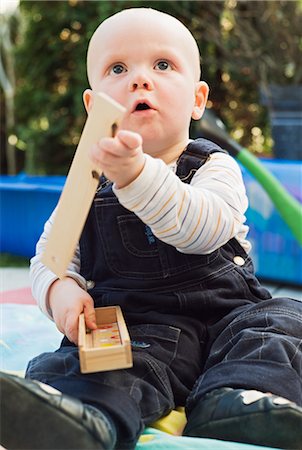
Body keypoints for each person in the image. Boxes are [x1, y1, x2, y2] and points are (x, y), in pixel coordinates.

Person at [1, 7, 301, 450]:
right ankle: (82, 418)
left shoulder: (214, 167)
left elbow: (203, 228)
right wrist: (59, 290)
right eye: (118, 68)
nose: (140, 80)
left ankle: (238, 401)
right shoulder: (87, 180)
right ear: (94, 106)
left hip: (228, 314)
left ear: (198, 99)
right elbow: (52, 254)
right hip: (140, 327)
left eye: (162, 65)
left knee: (283, 321)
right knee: (102, 362)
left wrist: (136, 176)